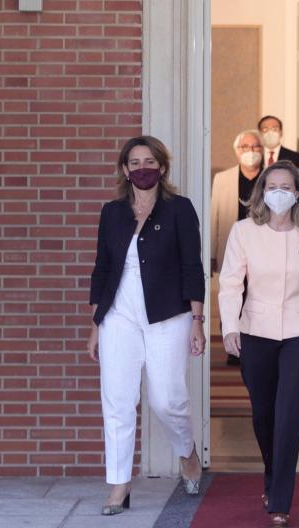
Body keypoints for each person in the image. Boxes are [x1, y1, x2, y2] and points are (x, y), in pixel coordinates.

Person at [219, 161, 299, 528]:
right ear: (262, 192)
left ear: (297, 193)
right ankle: (271, 471)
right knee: (263, 414)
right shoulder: (243, 231)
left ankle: (280, 499)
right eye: (271, 186)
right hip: (255, 330)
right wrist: (230, 327)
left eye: (286, 187)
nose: (278, 192)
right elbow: (231, 283)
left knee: (290, 413)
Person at [87, 136, 206, 515]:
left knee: (167, 399)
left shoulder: (179, 209)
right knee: (117, 400)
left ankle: (187, 452)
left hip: (168, 313)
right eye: (135, 162)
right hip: (118, 315)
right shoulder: (112, 212)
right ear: (125, 170)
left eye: (150, 162)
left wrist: (197, 320)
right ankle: (119, 485)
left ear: (162, 167)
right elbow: (101, 269)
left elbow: (193, 267)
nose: (143, 169)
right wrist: (96, 324)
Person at [211, 129, 265, 364]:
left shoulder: (270, 177)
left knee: (257, 298)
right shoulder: (222, 179)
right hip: (231, 247)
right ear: (236, 151)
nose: (250, 151)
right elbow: (215, 215)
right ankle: (233, 346)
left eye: (255, 147)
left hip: (264, 249)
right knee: (232, 295)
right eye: (245, 147)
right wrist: (211, 252)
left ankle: (256, 346)